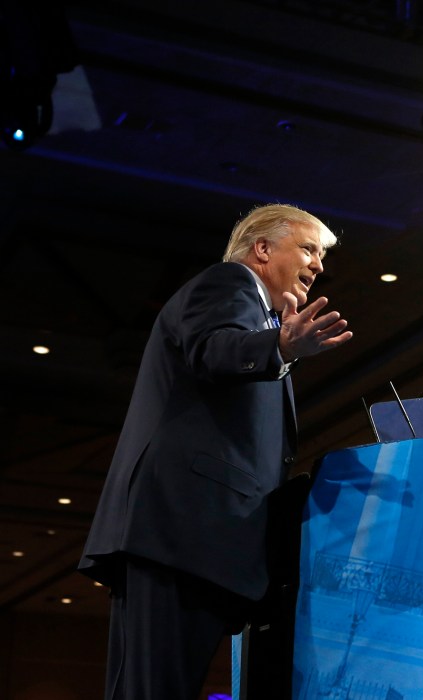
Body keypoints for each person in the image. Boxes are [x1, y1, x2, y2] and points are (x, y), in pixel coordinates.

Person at [79, 203, 353, 700]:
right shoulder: (228, 283)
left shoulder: (264, 316)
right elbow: (213, 348)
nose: (318, 264)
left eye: (320, 254)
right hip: (181, 533)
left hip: (202, 542)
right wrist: (282, 349)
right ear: (263, 249)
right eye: (308, 248)